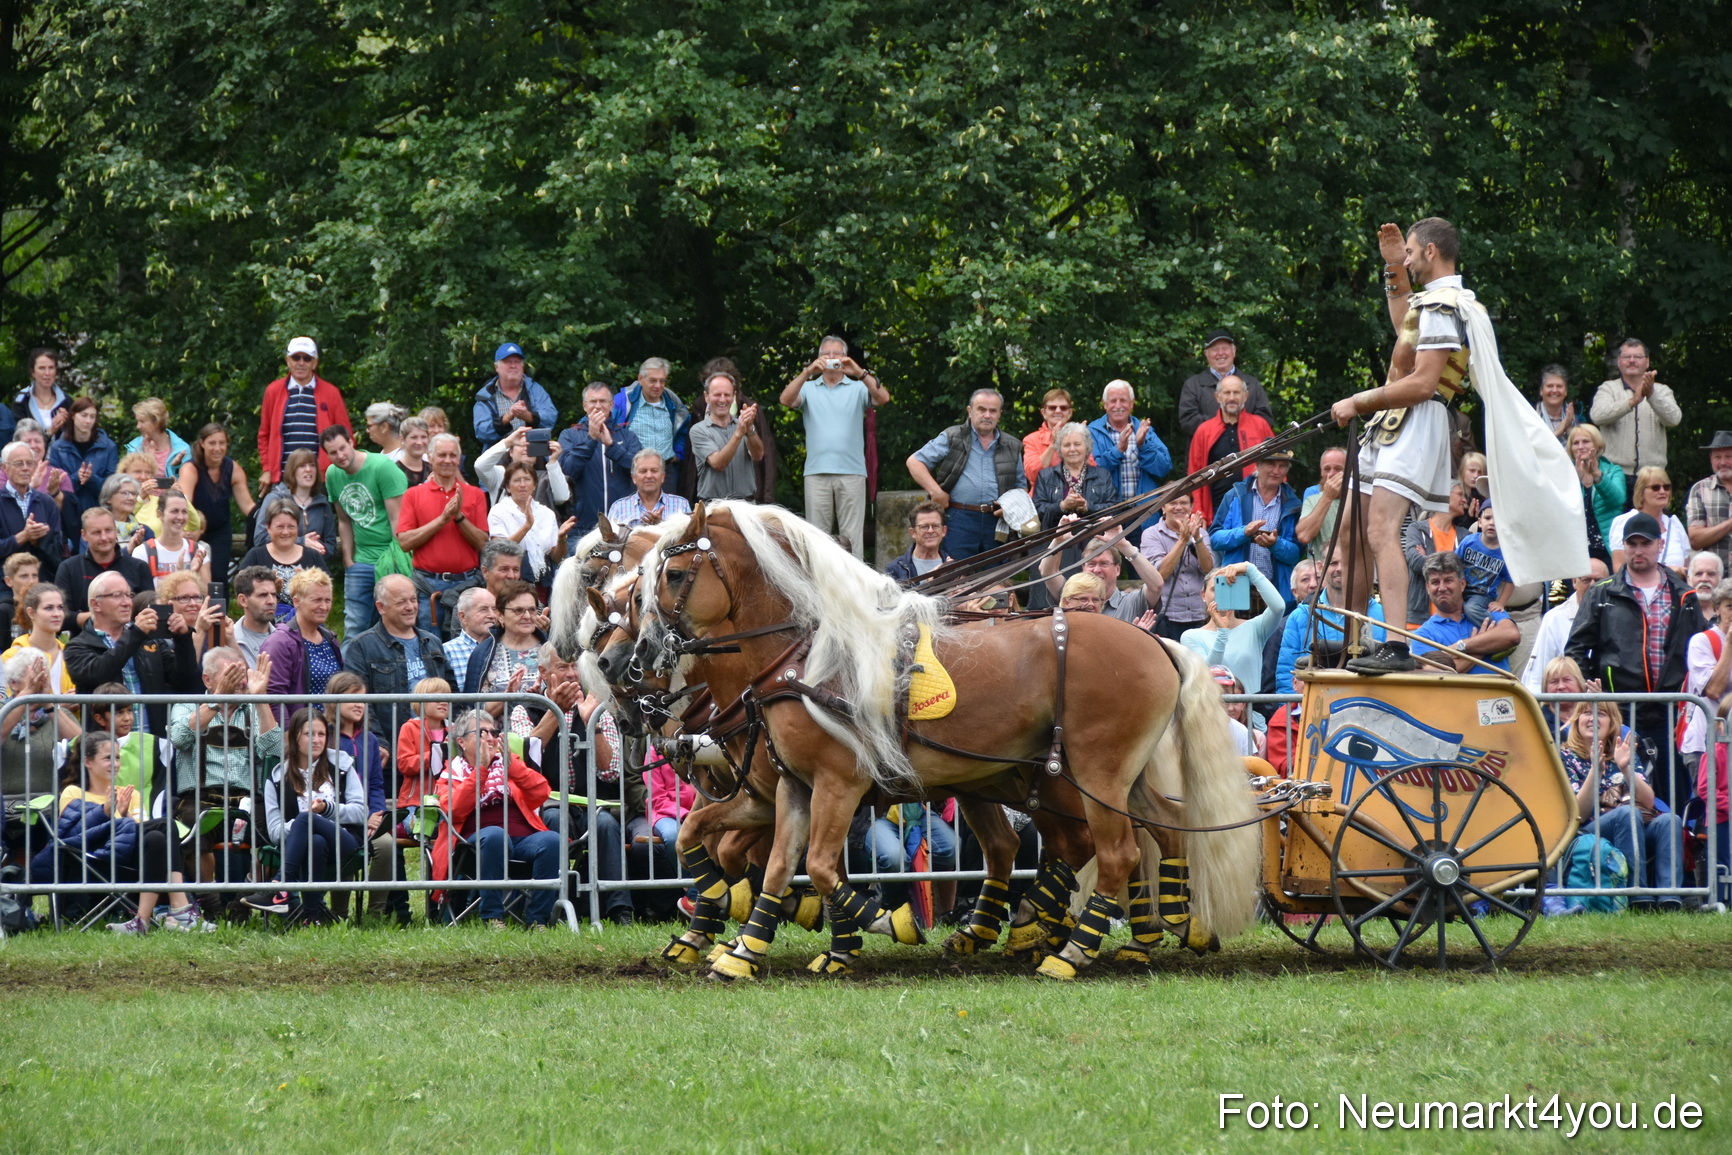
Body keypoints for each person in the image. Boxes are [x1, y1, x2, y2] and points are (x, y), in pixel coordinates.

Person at [1332, 218, 1579, 673]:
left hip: (1416, 418)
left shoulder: (1446, 305)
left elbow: (1424, 382)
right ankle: (1353, 642)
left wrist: (1357, 401)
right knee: (1350, 527)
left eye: (1410, 253)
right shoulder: (1431, 302)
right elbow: (1404, 331)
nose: (1408, 259)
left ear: (1431, 251)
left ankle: (1394, 645)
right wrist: (1393, 268)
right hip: (1391, 420)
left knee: (1381, 529)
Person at [1566, 511, 1693, 804]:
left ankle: (1677, 834)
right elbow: (1575, 649)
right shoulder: (1601, 592)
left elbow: (1695, 651)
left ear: (1660, 545)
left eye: (1645, 543)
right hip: (1618, 710)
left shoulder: (1684, 594)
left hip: (1670, 710)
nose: (1638, 550)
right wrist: (1594, 692)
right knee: (1621, 794)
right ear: (1623, 546)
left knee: (1673, 794)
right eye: (1632, 544)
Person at [32, 730, 211, 935]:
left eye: (117, 758)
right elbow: (70, 835)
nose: (115, 763)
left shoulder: (130, 794)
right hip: (90, 863)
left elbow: (140, 835)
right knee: (164, 825)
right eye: (107, 758)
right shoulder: (73, 792)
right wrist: (105, 812)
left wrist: (123, 817)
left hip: (126, 863)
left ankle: (141, 921)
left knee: (156, 837)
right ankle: (180, 907)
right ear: (88, 762)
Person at [434, 708, 564, 930]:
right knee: (495, 836)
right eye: (481, 732)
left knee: (552, 840)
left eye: (493, 732)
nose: (490, 738)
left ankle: (537, 919)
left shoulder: (508, 763)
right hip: (473, 845)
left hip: (520, 839)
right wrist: (481, 770)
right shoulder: (452, 771)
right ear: (461, 742)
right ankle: (492, 917)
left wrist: (513, 768)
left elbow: (541, 792)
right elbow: (454, 809)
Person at [166, 646, 279, 888]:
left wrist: (261, 699)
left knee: (277, 828)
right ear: (207, 680)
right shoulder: (187, 705)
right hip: (200, 800)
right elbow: (178, 738)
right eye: (231, 674)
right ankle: (211, 901)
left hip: (248, 801)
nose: (239, 682)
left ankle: (245, 899)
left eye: (242, 674)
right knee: (191, 831)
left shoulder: (253, 709)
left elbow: (275, 752)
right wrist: (217, 702)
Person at [243, 707, 366, 926]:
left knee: (306, 818)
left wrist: (326, 809)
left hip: (344, 842)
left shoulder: (342, 764)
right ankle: (312, 916)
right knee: (314, 839)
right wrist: (303, 827)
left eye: (322, 734)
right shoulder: (277, 777)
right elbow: (275, 832)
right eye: (309, 734)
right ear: (294, 737)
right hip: (302, 848)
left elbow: (360, 812)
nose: (317, 740)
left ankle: (279, 887)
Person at [1559, 700, 1684, 911]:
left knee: (1669, 821)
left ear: (1612, 723)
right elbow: (1578, 814)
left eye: (1601, 714)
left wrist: (1626, 768)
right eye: (1587, 713)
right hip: (1589, 831)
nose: (1592, 719)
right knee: (1627, 813)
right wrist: (1595, 772)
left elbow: (1649, 802)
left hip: (1632, 823)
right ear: (1577, 721)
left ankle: (1669, 898)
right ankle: (1636, 895)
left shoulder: (1622, 751)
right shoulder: (1566, 756)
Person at [779, 336, 890, 559]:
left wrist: (858, 371)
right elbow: (786, 400)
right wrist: (807, 372)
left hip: (852, 471)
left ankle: (854, 580)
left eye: (836, 353)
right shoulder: (809, 387)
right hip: (816, 472)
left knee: (852, 538)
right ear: (818, 358)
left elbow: (883, 398)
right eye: (825, 354)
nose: (831, 357)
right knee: (816, 537)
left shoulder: (858, 387)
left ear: (845, 357)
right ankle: (819, 580)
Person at [64, 570, 200, 735]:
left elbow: (185, 681)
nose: (127, 602)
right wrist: (136, 634)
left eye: (129, 595)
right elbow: (100, 673)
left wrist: (183, 639)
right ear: (95, 604)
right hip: (106, 746)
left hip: (153, 742)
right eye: (117, 595)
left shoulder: (149, 640)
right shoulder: (77, 646)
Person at [326, 671, 409, 924]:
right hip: (336, 817)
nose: (359, 704)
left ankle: (375, 913)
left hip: (368, 818)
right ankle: (339, 914)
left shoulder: (370, 740)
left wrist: (376, 815)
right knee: (345, 845)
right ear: (334, 701)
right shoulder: (324, 737)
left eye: (362, 698)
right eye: (352, 698)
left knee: (386, 845)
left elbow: (375, 785)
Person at [341, 573, 456, 746]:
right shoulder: (361, 646)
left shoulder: (433, 642)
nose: (410, 607)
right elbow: (359, 702)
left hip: (437, 745)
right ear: (381, 607)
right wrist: (378, 743)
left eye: (413, 599)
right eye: (401, 602)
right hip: (390, 746)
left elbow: (452, 693)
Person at [907, 389, 1023, 559]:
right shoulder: (953, 437)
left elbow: (1021, 487)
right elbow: (914, 462)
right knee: (956, 571)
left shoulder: (1012, 445)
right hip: (958, 518)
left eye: (993, 411)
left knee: (997, 573)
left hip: (997, 521)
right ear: (970, 411)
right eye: (981, 409)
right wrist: (936, 492)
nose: (987, 415)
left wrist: (1009, 507)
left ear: (1000, 414)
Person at [323, 425, 407, 635]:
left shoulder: (382, 467)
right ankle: (350, 659)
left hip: (389, 556)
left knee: (394, 624)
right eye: (333, 452)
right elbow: (344, 520)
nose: (340, 456)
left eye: (342, 448)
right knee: (355, 626)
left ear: (351, 442)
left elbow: (397, 519)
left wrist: (396, 561)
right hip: (360, 560)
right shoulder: (332, 474)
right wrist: (348, 560)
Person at [1275, 551, 1387, 695]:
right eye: (1333, 563)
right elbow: (1286, 674)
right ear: (1321, 567)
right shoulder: (1300, 615)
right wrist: (1293, 707)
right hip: (1314, 704)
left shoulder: (1381, 614)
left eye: (1345, 563)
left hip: (1368, 702)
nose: (1339, 568)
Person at [1208, 451, 1302, 608]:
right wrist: (1243, 532)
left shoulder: (1293, 504)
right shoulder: (1234, 495)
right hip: (1233, 585)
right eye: (1271, 464)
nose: (1276, 471)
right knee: (1229, 624)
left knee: (1277, 625)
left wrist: (1275, 544)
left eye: (1282, 466)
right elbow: (1215, 539)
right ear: (1257, 465)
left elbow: (1295, 554)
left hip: (1276, 590)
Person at [1179, 561, 1284, 695]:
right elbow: (1208, 672)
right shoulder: (1191, 636)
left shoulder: (1254, 627)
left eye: (1229, 588)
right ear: (1203, 595)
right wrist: (1222, 634)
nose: (1221, 594)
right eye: (1215, 589)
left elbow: (1279, 607)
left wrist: (1250, 570)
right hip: (1215, 705)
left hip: (1251, 706)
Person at [258, 337, 350, 487]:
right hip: (283, 478)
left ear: (314, 363)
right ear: (288, 361)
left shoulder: (331, 392)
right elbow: (264, 435)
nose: (301, 363)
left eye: (307, 358)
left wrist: (342, 468)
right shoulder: (273, 391)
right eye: (296, 357)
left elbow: (345, 435)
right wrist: (267, 469)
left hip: (321, 479)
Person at [1590, 338, 1680, 491]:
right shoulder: (1608, 388)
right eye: (1627, 357)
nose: (1632, 361)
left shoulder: (1662, 390)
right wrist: (1632, 402)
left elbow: (1674, 419)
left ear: (1647, 362)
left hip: (1653, 475)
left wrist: (1651, 395)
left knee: (1653, 509)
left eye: (1638, 357)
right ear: (1619, 362)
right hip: (1614, 474)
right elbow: (1597, 416)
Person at [1409, 551, 1521, 674]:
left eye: (1448, 580)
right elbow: (1435, 672)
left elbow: (1511, 635)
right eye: (1435, 582)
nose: (1442, 588)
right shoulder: (1423, 635)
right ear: (1427, 588)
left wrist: (1459, 647)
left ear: (1462, 584)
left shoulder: (1486, 609)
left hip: (1501, 687)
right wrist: (1483, 647)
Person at [558, 382, 642, 537]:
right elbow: (567, 471)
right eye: (593, 401)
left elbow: (639, 470)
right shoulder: (569, 435)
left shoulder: (628, 436)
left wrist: (612, 446)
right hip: (582, 527)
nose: (598, 406)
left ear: (611, 405)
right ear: (585, 406)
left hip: (621, 526)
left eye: (603, 401)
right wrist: (591, 439)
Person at [1185, 374, 1273, 523]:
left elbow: (1277, 466)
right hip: (1216, 513)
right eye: (1227, 393)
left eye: (1236, 393)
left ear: (1246, 396)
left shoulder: (1260, 426)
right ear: (1217, 396)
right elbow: (1194, 476)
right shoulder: (1204, 431)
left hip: (1256, 511)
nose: (1232, 398)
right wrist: (1199, 514)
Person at [177, 423, 255, 587]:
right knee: (192, 575)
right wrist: (189, 529)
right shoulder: (191, 468)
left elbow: (248, 505)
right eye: (212, 443)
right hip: (193, 528)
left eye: (222, 443)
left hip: (220, 530)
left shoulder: (232, 468)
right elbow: (185, 503)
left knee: (219, 576)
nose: (217, 448)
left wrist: (265, 519)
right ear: (202, 444)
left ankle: (221, 605)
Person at [1089, 378, 1171, 534]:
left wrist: (1143, 445)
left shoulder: (1144, 429)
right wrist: (1118, 450)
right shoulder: (1092, 432)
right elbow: (1091, 473)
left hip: (1143, 514)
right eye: (1113, 401)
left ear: (1132, 404)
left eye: (1123, 400)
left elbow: (1164, 468)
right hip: (1108, 515)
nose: (1118, 406)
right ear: (1104, 404)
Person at [261, 568, 344, 718]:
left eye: (327, 600)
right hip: (299, 728)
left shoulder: (330, 638)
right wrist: (286, 731)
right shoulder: (280, 642)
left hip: (330, 728)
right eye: (316, 600)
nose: (324, 607)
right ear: (297, 602)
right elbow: (274, 697)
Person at [1038, 526, 1165, 624]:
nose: (1097, 570)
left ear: (1117, 569)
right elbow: (1047, 572)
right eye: (1091, 564)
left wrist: (1123, 545)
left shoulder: (1131, 602)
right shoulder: (1072, 594)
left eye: (1104, 564)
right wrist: (1058, 541)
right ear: (1083, 568)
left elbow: (1156, 585)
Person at [1520, 560, 1609, 694]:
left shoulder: (1618, 616)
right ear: (1574, 582)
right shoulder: (1554, 619)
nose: (1592, 586)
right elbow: (1537, 676)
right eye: (1586, 580)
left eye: (1598, 581)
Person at [55, 508, 155, 626]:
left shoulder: (139, 567)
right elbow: (61, 615)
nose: (104, 537)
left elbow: (150, 610)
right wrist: (105, 616)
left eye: (108, 530)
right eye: (96, 532)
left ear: (116, 531)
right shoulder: (69, 568)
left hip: (132, 635)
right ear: (84, 535)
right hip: (83, 636)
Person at [461, 580, 544, 720]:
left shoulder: (550, 650)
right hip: (498, 733)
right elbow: (473, 714)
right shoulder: (483, 653)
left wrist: (544, 696)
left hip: (546, 732)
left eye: (532, 610)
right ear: (500, 615)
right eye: (518, 610)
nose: (527, 616)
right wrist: (507, 696)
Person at [1176, 329, 1275, 444]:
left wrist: (1237, 430)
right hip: (1207, 451)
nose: (1220, 353)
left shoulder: (1252, 384)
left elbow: (1265, 420)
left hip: (1248, 450)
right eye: (1215, 349)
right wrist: (1225, 428)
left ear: (1234, 351)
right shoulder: (1193, 385)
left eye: (1225, 348)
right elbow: (1188, 421)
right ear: (1206, 354)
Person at [1682, 579, 1732, 803]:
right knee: (1711, 813)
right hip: (1705, 745)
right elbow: (1713, 689)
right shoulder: (1702, 641)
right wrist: (1729, 644)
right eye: (1730, 606)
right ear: (1717, 609)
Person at [487, 460, 575, 587]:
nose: (522, 484)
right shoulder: (498, 511)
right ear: (508, 487)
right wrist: (527, 526)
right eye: (517, 480)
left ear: (534, 485)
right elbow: (499, 550)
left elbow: (557, 558)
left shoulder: (547, 513)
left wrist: (561, 539)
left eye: (527, 479)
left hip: (543, 582)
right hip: (510, 582)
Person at [1139, 491, 1212, 640]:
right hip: (1168, 616)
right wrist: (1182, 540)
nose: (1178, 507)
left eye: (1184, 503)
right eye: (1173, 503)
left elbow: (1208, 569)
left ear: (1191, 507)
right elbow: (1159, 575)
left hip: (1199, 614)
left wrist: (1197, 538)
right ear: (1163, 508)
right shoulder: (1151, 534)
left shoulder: (1201, 533)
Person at [613, 357, 693, 493]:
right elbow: (601, 419)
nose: (658, 386)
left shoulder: (672, 402)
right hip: (633, 473)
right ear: (640, 378)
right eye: (653, 380)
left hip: (666, 473)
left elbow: (684, 429)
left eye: (662, 381)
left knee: (669, 507)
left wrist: (678, 453)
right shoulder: (624, 401)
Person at [237, 500, 327, 615]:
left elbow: (327, 597)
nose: (285, 532)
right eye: (280, 527)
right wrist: (270, 590)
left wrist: (306, 589)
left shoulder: (313, 556)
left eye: (291, 526)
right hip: (265, 622)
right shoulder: (255, 556)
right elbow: (241, 600)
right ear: (268, 527)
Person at [689, 370, 764, 502]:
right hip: (714, 505)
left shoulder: (743, 425)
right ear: (706, 397)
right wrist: (739, 433)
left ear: (734, 396)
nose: (722, 399)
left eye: (727, 395)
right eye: (717, 395)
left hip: (746, 504)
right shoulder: (698, 430)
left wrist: (750, 430)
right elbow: (718, 463)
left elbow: (758, 455)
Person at [433, 539, 524, 646]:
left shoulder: (528, 603)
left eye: (516, 570)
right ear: (485, 572)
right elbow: (460, 646)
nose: (511, 576)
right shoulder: (468, 604)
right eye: (504, 569)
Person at [1031, 420, 1117, 531]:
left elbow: (1114, 509)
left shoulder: (1103, 475)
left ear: (1087, 447)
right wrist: (1062, 506)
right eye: (1066, 445)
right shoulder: (1045, 476)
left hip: (1095, 536)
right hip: (1057, 537)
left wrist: (1088, 507)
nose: (1072, 449)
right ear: (1059, 449)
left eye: (1077, 444)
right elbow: (1038, 510)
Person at [250, 448, 336, 557]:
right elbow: (260, 539)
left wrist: (318, 549)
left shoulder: (323, 503)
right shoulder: (274, 499)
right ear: (292, 471)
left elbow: (331, 546)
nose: (308, 469)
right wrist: (301, 542)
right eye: (302, 466)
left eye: (312, 465)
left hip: (312, 565)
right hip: (278, 564)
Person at [0, 441, 64, 579]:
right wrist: (22, 537)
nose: (25, 468)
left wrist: (39, 541)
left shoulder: (47, 503)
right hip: (5, 583)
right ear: (4, 468)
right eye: (19, 463)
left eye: (29, 463)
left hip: (41, 581)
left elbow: (59, 550)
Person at [475, 425, 571, 516]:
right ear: (511, 452)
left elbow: (562, 498)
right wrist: (507, 442)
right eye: (521, 444)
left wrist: (553, 462)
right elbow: (480, 466)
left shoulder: (546, 476)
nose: (526, 448)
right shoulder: (500, 474)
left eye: (531, 445)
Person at [1610, 467, 1689, 576]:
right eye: (1656, 488)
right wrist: (1666, 571)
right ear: (1641, 492)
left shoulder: (1675, 524)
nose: (1662, 491)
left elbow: (1687, 569)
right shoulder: (1623, 522)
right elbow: (1620, 570)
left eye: (1666, 487)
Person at [48, 396, 118, 518]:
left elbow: (112, 487)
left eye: (92, 416)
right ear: (73, 415)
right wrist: (77, 477)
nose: (88, 421)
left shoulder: (108, 447)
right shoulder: (58, 448)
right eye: (84, 415)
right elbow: (55, 487)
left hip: (100, 513)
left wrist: (92, 478)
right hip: (67, 514)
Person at [474, 342, 558, 443]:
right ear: (496, 367)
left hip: (532, 450)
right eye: (507, 362)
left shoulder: (535, 390)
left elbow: (550, 419)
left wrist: (528, 416)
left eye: (517, 361)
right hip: (500, 452)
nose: (513, 365)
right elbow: (481, 432)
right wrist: (506, 418)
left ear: (522, 366)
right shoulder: (486, 395)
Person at [0, 583, 73, 699]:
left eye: (60, 607)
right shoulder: (11, 656)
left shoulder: (71, 654)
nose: (57, 614)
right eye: (49, 608)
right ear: (31, 613)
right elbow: (6, 704)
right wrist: (57, 706)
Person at [1454, 501, 1513, 625]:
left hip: (1483, 595)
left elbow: (1510, 581)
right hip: (1461, 588)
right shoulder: (1469, 541)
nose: (1492, 523)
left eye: (1497, 519)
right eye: (1487, 518)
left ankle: (1495, 629)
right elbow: (1454, 563)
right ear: (1480, 522)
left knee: (1471, 608)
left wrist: (1501, 602)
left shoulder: (1505, 553)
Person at [132, 491, 210, 584]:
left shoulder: (197, 551)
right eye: (174, 511)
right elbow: (141, 592)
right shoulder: (142, 553)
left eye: (184, 512)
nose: (180, 517)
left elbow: (207, 590)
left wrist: (193, 572)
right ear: (160, 514)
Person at [1567, 423, 1627, 545]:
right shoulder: (1565, 472)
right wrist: (1575, 480)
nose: (1580, 447)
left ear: (1597, 445)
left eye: (1586, 442)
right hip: (1575, 545)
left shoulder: (1613, 471)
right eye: (1576, 443)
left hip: (1606, 545)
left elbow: (1618, 500)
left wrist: (1597, 475)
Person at [606, 449, 691, 529]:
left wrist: (661, 525)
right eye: (643, 471)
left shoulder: (681, 505)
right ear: (634, 478)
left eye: (654, 471)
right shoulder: (618, 508)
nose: (649, 476)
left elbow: (689, 538)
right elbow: (609, 539)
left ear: (663, 476)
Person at [1686, 431, 1732, 573]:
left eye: (1728, 457)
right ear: (1711, 459)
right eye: (1717, 457)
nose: (1723, 462)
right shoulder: (1699, 489)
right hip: (1714, 577)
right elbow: (1695, 540)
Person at [1022, 388, 1086, 486]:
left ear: (1069, 413)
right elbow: (1032, 475)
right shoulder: (1031, 439)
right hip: (1043, 494)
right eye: (1052, 408)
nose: (1058, 411)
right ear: (1044, 413)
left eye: (1063, 408)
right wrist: (1052, 445)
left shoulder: (1081, 436)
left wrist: (1081, 443)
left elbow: (1091, 471)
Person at [1294, 447, 1347, 565]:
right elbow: (1304, 536)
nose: (1331, 474)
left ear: (1350, 471)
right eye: (1327, 469)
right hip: (1322, 572)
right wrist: (1327, 497)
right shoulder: (1312, 500)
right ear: (1321, 473)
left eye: (1338, 469)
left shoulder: (1361, 500)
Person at [443, 586, 497, 690]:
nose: (492, 615)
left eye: (494, 609)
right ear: (463, 617)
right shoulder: (447, 652)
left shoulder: (505, 646)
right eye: (483, 609)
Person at [885, 501, 953, 583]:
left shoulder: (954, 566)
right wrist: (928, 584)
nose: (930, 531)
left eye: (935, 526)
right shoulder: (896, 569)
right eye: (924, 527)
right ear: (913, 532)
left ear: (944, 531)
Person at [124, 398, 192, 478]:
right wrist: (147, 460)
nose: (138, 426)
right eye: (138, 421)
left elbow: (188, 481)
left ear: (156, 422)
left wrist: (176, 468)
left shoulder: (182, 449)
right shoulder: (134, 447)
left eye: (142, 421)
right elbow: (129, 481)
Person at [229, 567, 281, 667]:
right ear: (243, 600)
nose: (271, 601)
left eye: (274, 595)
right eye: (263, 595)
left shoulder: (286, 640)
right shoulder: (228, 639)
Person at [11, 348, 68, 437]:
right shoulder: (22, 400)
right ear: (33, 372)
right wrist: (50, 432)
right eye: (42, 368)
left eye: (51, 368)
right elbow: (19, 437)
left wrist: (69, 422)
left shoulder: (66, 400)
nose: (47, 373)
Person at [1, 553, 40, 641]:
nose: (31, 581)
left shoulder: (43, 609)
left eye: (34, 575)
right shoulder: (4, 611)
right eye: (24, 576)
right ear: (9, 581)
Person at [1535, 365, 1577, 442]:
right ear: (1541, 391)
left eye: (1559, 386)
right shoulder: (1531, 415)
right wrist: (1558, 432)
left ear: (1566, 392)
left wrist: (1569, 427)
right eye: (1550, 386)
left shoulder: (1575, 417)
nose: (1554, 390)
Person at [395, 416, 432, 488]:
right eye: (414, 437)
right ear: (402, 440)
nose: (419, 442)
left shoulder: (433, 470)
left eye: (423, 437)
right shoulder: (394, 471)